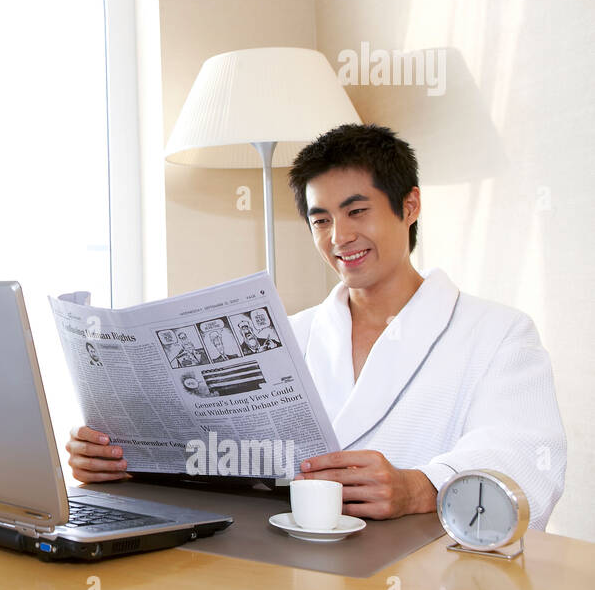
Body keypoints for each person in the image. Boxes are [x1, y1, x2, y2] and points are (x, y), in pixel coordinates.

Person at [66, 124, 567, 528]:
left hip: (426, 587)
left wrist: (422, 487)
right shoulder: (290, 334)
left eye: (357, 211)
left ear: (409, 206)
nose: (339, 237)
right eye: (321, 220)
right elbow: (225, 459)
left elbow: (527, 460)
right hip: (287, 573)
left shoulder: (498, 333)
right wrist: (123, 462)